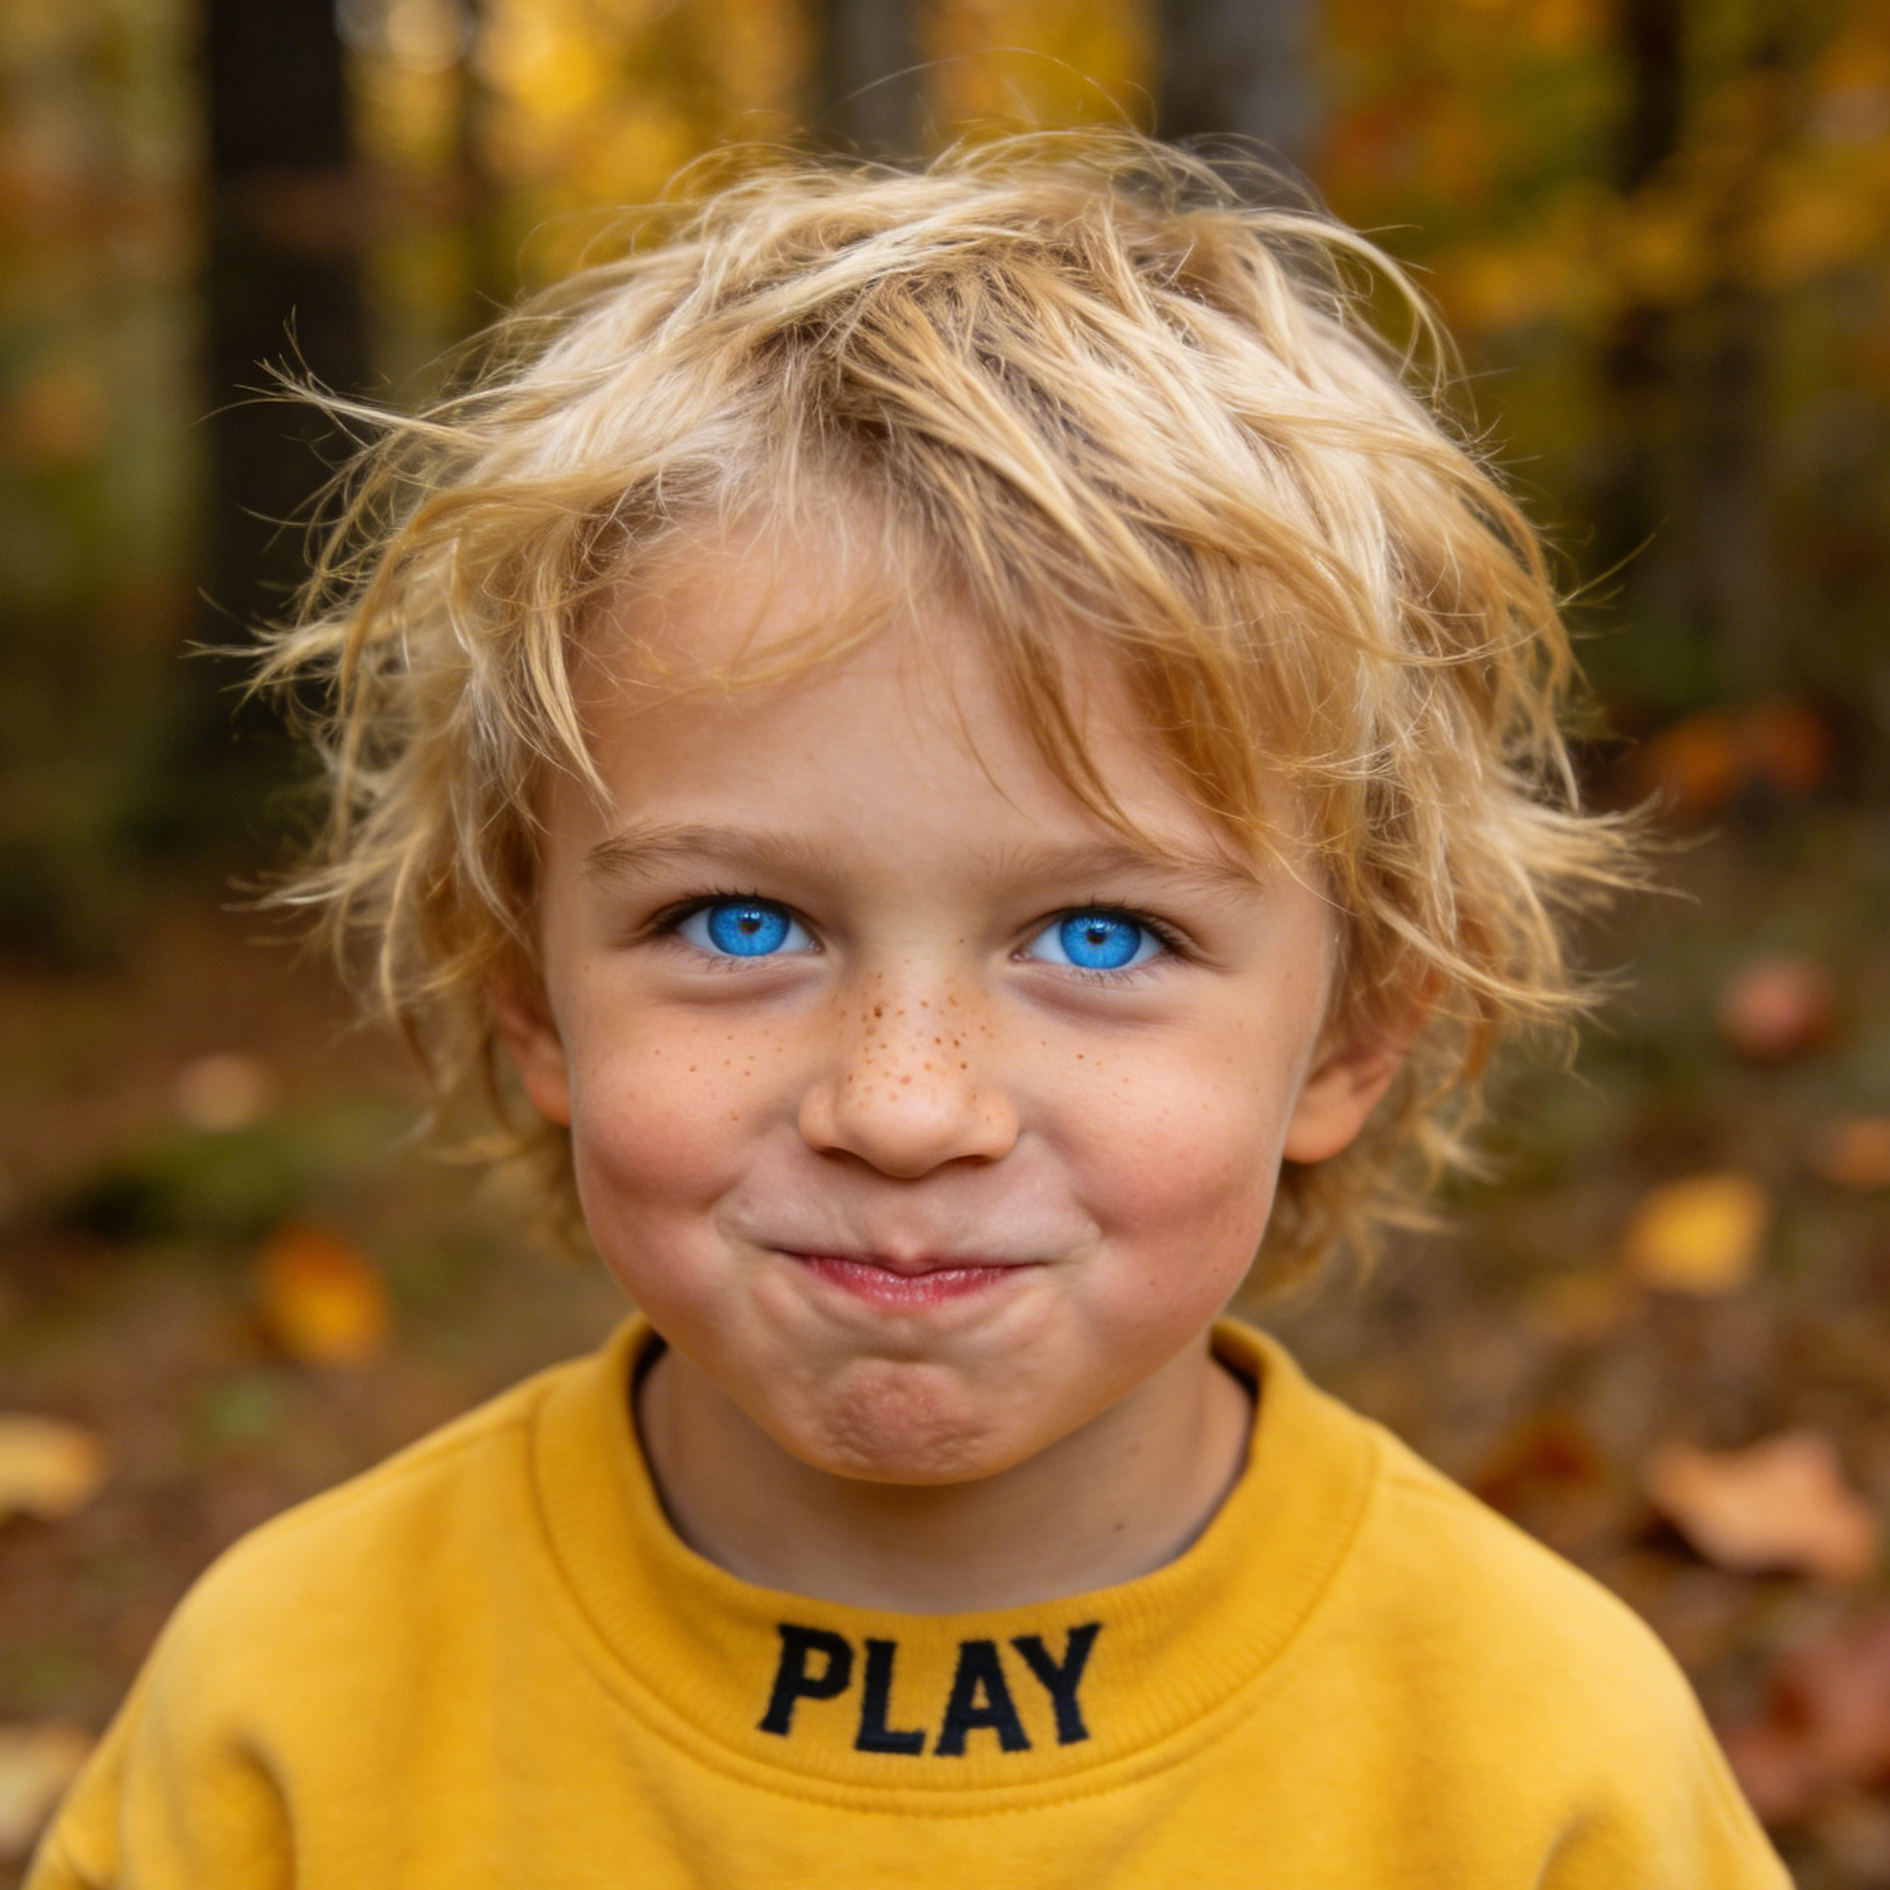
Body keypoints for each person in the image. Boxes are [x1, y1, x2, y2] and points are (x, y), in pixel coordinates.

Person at [30, 130, 1790, 1887]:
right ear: (530, 997)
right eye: (736, 919)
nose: (902, 1103)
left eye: (1098, 938)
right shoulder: (286, 1715)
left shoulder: (1542, 1767)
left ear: (1350, 1034)